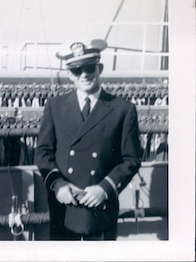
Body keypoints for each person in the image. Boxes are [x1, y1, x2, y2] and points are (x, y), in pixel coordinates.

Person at [35, 39, 141, 240]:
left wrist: (105, 188)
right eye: (77, 70)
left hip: (100, 206)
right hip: (64, 205)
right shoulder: (55, 106)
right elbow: (43, 153)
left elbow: (131, 159)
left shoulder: (123, 109)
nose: (84, 74)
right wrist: (58, 184)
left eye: (90, 67)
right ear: (69, 75)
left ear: (99, 68)